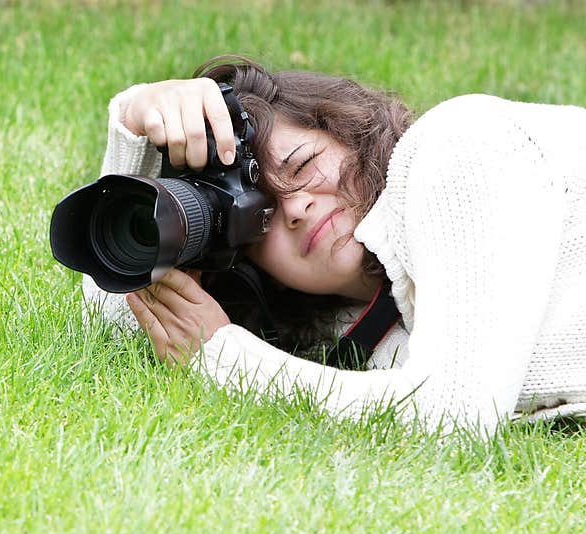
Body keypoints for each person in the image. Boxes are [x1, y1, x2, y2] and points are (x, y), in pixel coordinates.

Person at [82, 55, 586, 437]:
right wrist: (136, 121)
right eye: (261, 219)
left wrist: (224, 358)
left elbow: (453, 416)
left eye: (302, 165)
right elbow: (113, 315)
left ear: (349, 131)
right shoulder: (352, 326)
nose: (297, 208)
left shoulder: (461, 147)